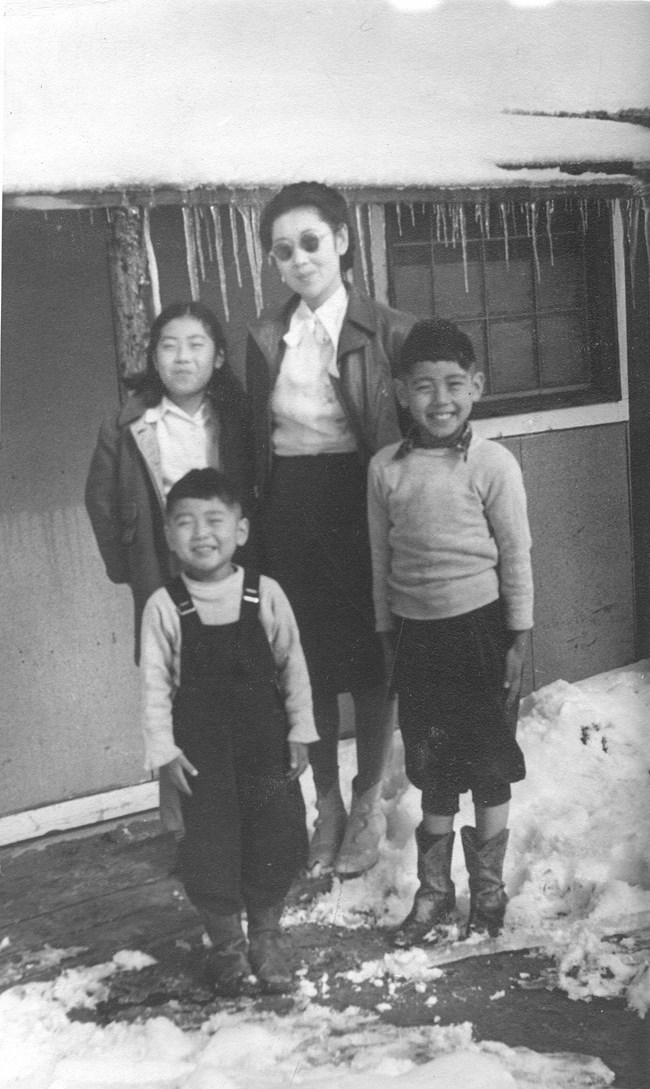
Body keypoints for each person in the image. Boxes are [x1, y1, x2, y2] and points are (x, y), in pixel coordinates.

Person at [246, 182, 416, 878]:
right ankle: (327, 805)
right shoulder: (261, 336)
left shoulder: (391, 331)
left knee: (371, 661)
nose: (298, 259)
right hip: (289, 508)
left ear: (342, 242)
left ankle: (368, 798)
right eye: (282, 250)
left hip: (359, 500)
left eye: (310, 242)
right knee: (303, 661)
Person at [367, 319, 533, 946]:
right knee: (434, 767)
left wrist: (520, 634)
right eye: (424, 386)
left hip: (482, 637)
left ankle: (488, 894)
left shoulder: (493, 463)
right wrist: (387, 633)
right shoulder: (386, 470)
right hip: (418, 639)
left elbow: (516, 553)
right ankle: (435, 893)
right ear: (400, 392)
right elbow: (379, 559)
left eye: (454, 384)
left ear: (477, 387)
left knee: (489, 764)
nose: (440, 400)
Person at [140, 468, 317, 995]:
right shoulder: (163, 607)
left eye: (214, 519)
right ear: (169, 536)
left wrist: (300, 731)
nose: (201, 534)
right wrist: (164, 753)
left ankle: (266, 939)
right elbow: (152, 687)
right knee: (209, 848)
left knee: (272, 838)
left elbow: (294, 667)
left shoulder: (266, 594)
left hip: (265, 747)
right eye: (186, 523)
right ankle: (228, 950)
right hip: (201, 756)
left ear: (240, 530)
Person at [85, 301, 254, 831]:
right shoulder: (131, 423)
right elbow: (101, 501)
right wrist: (130, 569)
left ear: (218, 356)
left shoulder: (236, 419)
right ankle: (187, 829)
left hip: (231, 577)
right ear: (154, 358)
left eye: (196, 345)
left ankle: (248, 822)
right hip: (164, 577)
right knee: (176, 698)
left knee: (243, 689)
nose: (182, 358)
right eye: (168, 345)